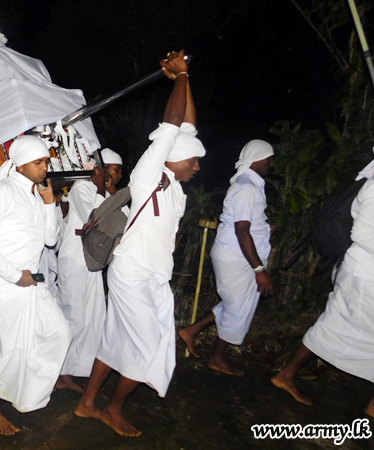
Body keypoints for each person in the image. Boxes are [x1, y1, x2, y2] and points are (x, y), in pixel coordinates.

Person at [74, 50, 205, 437]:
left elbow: (187, 128)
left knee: (117, 338)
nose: (198, 166)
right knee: (148, 346)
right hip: (133, 272)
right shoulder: (149, 173)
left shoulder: (175, 185)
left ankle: (86, 403)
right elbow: (172, 127)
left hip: (153, 275)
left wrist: (184, 79)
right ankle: (113, 409)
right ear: (175, 159)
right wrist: (181, 76)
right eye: (193, 161)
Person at [0, 135, 71, 435]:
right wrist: (14, 275)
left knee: (58, 333)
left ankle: (26, 395)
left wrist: (49, 203)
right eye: (38, 162)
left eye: (46, 162)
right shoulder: (1, 193)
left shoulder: (35, 195)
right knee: (6, 351)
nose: (45, 167)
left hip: (32, 284)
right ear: (21, 165)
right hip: (4, 286)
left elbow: (49, 239)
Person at [271, 168, 374, 420]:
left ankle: (286, 375)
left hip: (372, 274)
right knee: (335, 324)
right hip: (365, 275)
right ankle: (286, 375)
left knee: (336, 323)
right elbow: (362, 232)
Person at [179, 140, 274, 375]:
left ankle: (191, 331)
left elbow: (246, 223)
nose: (271, 164)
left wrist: (264, 230)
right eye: (269, 159)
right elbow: (241, 230)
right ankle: (217, 358)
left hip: (238, 254)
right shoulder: (247, 188)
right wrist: (259, 270)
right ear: (259, 159)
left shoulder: (250, 185)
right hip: (236, 257)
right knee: (238, 308)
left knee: (234, 302)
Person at [56, 162, 107, 392]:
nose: (115, 175)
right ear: (97, 170)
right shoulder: (81, 187)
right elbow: (94, 219)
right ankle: (57, 371)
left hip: (90, 262)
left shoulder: (98, 190)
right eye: (111, 169)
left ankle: (70, 372)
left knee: (90, 319)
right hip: (75, 260)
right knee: (73, 318)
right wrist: (100, 187)